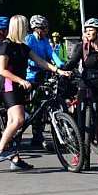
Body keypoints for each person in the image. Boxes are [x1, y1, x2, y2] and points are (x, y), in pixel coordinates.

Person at [0, 15, 71, 171]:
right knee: (19, 119)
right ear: (19, 28)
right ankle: (0, 151)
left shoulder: (22, 47)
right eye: (25, 26)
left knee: (15, 123)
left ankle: (15, 159)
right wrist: (21, 81)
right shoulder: (6, 46)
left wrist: (59, 71)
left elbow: (41, 61)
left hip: (18, 86)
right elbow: (2, 70)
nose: (28, 29)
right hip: (9, 85)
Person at [64, 18, 98, 167]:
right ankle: (79, 153)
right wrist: (62, 70)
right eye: (86, 30)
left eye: (90, 30)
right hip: (85, 85)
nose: (87, 33)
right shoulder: (83, 48)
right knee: (80, 122)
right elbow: (72, 62)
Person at [25, 14, 62, 149]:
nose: (46, 32)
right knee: (34, 105)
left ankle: (48, 134)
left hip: (43, 73)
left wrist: (61, 65)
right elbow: (28, 55)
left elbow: (51, 53)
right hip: (30, 75)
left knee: (45, 102)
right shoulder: (29, 39)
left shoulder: (45, 40)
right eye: (44, 29)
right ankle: (36, 134)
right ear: (37, 29)